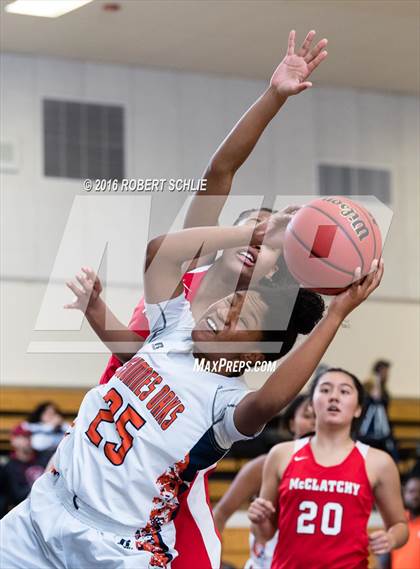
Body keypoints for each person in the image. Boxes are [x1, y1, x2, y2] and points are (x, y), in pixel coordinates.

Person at [63, 28, 329, 569]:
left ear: (277, 272)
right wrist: (273, 96)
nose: (260, 241)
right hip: (111, 439)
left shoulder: (242, 331)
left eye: (273, 243)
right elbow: (220, 173)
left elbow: (248, 401)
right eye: (253, 228)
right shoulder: (185, 273)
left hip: (171, 465)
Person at [1, 200, 383, 568]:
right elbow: (160, 253)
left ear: (255, 355)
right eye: (232, 302)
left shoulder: (227, 403)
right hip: (44, 510)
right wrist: (258, 231)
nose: (224, 313)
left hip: (115, 549)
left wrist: (336, 315)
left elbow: (272, 399)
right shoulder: (175, 326)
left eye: (242, 321)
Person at [248, 368, 408, 569]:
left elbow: (401, 526)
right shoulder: (281, 454)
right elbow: (265, 533)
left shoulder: (378, 462)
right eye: (325, 390)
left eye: (344, 391)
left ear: (358, 408)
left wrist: (391, 538)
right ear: (312, 404)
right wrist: (258, 519)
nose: (334, 397)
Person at [213, 394, 315, 569]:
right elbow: (219, 514)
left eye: (319, 417)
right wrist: (214, 562)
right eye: (307, 416)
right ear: (291, 423)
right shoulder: (264, 464)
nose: (314, 422)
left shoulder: (343, 468)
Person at [0, 424, 45, 514]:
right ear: (13, 440)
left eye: (28, 436)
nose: (27, 440)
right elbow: (17, 495)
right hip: (26, 511)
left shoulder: (44, 457)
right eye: (22, 437)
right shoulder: (9, 467)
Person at [359, 359, 398, 459]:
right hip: (367, 430)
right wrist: (376, 380)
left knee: (391, 452)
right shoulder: (368, 386)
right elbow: (375, 398)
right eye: (385, 372)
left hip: (382, 429)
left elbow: (383, 402)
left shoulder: (384, 389)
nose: (387, 375)